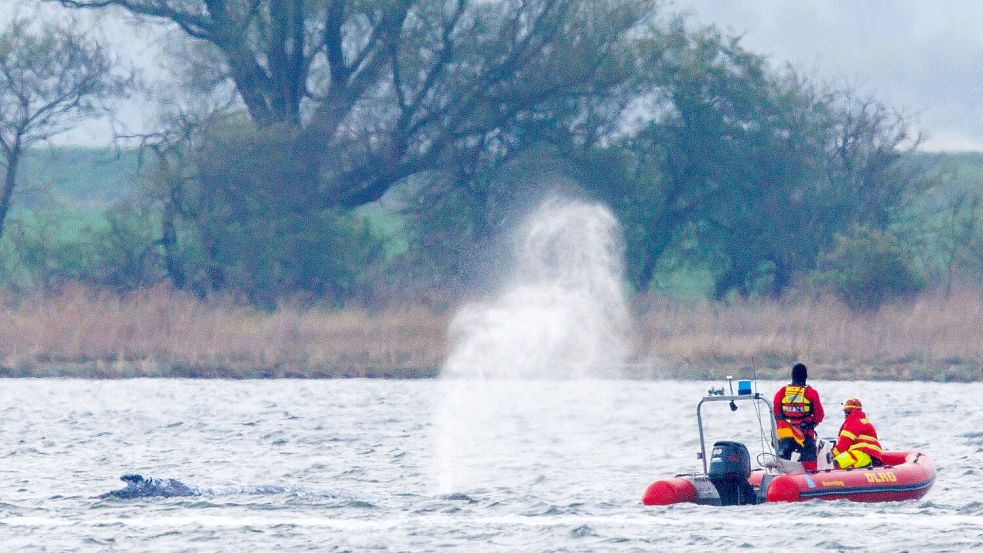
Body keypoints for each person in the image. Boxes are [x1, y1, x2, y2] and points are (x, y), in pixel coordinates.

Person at [773, 363, 824, 471]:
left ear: (792, 376)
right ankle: (809, 478)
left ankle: (780, 474)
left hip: (785, 433)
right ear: (805, 376)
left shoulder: (781, 392)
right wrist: (812, 423)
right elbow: (820, 415)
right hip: (804, 434)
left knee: (782, 456)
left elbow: (776, 414)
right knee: (809, 456)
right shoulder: (811, 393)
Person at [832, 397, 883, 469]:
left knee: (836, 463)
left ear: (847, 412)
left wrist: (831, 453)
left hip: (861, 454)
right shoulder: (864, 421)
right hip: (871, 455)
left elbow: (843, 444)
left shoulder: (853, 422)